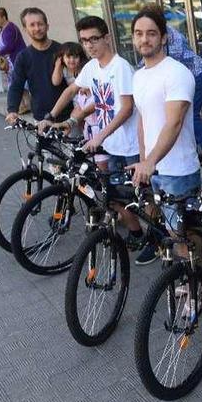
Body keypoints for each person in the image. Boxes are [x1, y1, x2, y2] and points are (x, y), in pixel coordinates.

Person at [37, 16, 151, 264]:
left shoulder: (119, 67)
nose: (89, 45)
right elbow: (70, 91)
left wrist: (100, 135)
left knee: (142, 197)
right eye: (84, 40)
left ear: (107, 37)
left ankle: (152, 237)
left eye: (94, 39)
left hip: (129, 145)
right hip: (111, 145)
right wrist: (52, 117)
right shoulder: (91, 67)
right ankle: (136, 232)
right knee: (115, 196)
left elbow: (126, 109)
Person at [127, 8, 202, 266]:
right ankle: (181, 275)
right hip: (153, 168)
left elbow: (174, 122)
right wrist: (143, 160)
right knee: (166, 230)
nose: (144, 39)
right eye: (139, 34)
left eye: (151, 33)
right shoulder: (139, 76)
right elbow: (142, 121)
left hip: (178, 171)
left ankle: (193, 287)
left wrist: (150, 162)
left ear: (164, 38)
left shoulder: (176, 73)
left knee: (183, 235)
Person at [135, 6, 202, 157]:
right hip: (193, 72)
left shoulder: (172, 36)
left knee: (191, 116)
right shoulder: (166, 32)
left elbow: (170, 59)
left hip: (198, 73)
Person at [5, 7, 69, 124]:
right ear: (25, 29)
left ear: (47, 26)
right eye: (32, 25)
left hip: (67, 116)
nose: (37, 28)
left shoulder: (62, 51)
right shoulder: (23, 57)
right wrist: (12, 109)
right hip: (40, 118)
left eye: (40, 24)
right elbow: (16, 85)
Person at [46, 42, 104, 168]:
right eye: (68, 57)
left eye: (75, 57)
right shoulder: (66, 70)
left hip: (87, 103)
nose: (72, 60)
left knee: (83, 123)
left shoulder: (85, 68)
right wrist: (58, 64)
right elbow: (56, 82)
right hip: (77, 102)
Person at [0, 8, 26, 88]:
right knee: (21, 91)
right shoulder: (7, 28)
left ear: (3, 17)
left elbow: (9, 47)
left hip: (16, 61)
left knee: (20, 89)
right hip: (13, 62)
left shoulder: (9, 29)